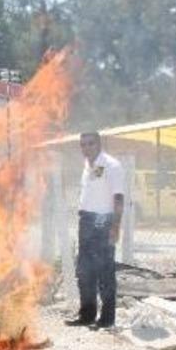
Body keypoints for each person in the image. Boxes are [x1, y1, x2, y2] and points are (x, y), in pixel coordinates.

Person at [67, 131, 124, 330]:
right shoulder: (88, 166)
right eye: (83, 145)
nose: (86, 148)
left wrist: (115, 226)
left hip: (103, 222)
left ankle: (107, 318)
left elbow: (118, 198)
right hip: (87, 221)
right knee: (84, 271)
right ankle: (87, 315)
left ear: (99, 144)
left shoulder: (111, 165)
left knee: (104, 271)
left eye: (90, 144)